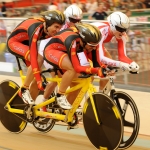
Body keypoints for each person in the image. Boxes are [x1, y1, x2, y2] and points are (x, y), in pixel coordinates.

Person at [43, 23, 108, 110]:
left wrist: (104, 68)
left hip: (66, 52)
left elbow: (97, 63)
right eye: (91, 46)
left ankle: (65, 112)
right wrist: (96, 71)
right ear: (83, 41)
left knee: (79, 83)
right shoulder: (72, 41)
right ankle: (60, 95)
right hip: (52, 51)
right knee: (72, 69)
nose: (93, 48)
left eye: (95, 46)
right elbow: (77, 67)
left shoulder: (89, 44)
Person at [7, 10, 65, 105]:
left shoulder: (48, 30)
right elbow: (35, 57)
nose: (58, 30)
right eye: (56, 27)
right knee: (39, 60)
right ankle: (24, 89)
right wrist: (38, 79)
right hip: (14, 43)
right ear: (48, 24)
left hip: (26, 43)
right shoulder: (36, 28)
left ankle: (29, 108)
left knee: (38, 78)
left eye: (60, 27)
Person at [29, 4, 83, 107]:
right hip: (47, 51)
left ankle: (67, 102)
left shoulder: (76, 27)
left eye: (78, 21)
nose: (75, 23)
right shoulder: (60, 26)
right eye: (73, 20)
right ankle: (43, 103)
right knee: (56, 79)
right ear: (67, 18)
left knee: (72, 78)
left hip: (59, 52)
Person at [89, 11, 139, 92]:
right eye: (119, 29)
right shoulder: (101, 32)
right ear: (112, 26)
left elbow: (122, 56)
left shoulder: (122, 34)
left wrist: (132, 63)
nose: (122, 32)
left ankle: (101, 95)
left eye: (125, 29)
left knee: (109, 68)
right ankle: (87, 93)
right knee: (92, 70)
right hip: (86, 44)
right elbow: (101, 58)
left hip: (95, 44)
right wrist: (120, 64)